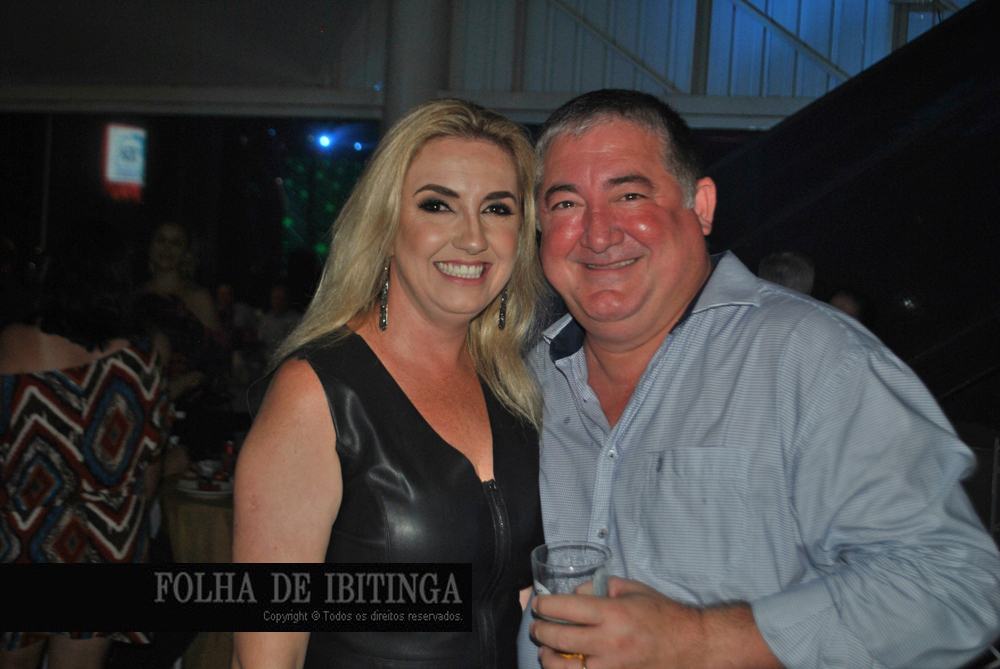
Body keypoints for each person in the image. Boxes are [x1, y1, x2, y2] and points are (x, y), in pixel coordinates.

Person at [518, 89, 1000, 669]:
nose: (598, 234)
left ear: (701, 206)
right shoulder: (524, 383)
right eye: (566, 204)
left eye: (629, 195)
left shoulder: (815, 360)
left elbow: (953, 584)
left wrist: (700, 641)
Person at [232, 99, 547, 669]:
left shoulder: (513, 387)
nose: (473, 238)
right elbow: (265, 657)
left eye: (497, 209)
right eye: (438, 205)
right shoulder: (315, 395)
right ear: (385, 225)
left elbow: (513, 596)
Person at [0, 219, 170, 669]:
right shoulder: (142, 361)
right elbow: (148, 471)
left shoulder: (10, 346)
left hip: (21, 537)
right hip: (105, 542)